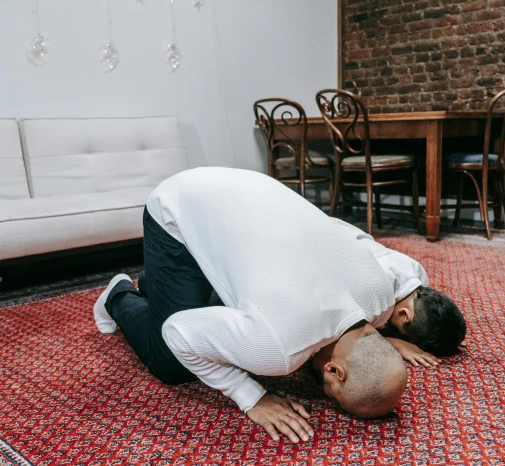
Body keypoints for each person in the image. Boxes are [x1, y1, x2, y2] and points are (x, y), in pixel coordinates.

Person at [94, 168, 411, 444]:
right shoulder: (279, 350)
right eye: (332, 393)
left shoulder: (383, 297)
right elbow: (177, 332)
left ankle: (159, 282)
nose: (325, 393)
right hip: (178, 202)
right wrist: (250, 396)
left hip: (248, 185)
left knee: (237, 309)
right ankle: (118, 295)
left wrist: (382, 352)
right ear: (334, 371)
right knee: (170, 362)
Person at [336, 222, 467, 365]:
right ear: (405, 315)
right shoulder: (372, 298)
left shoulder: (417, 272)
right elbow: (344, 336)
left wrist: (449, 337)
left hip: (344, 228)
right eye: (400, 332)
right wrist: (396, 343)